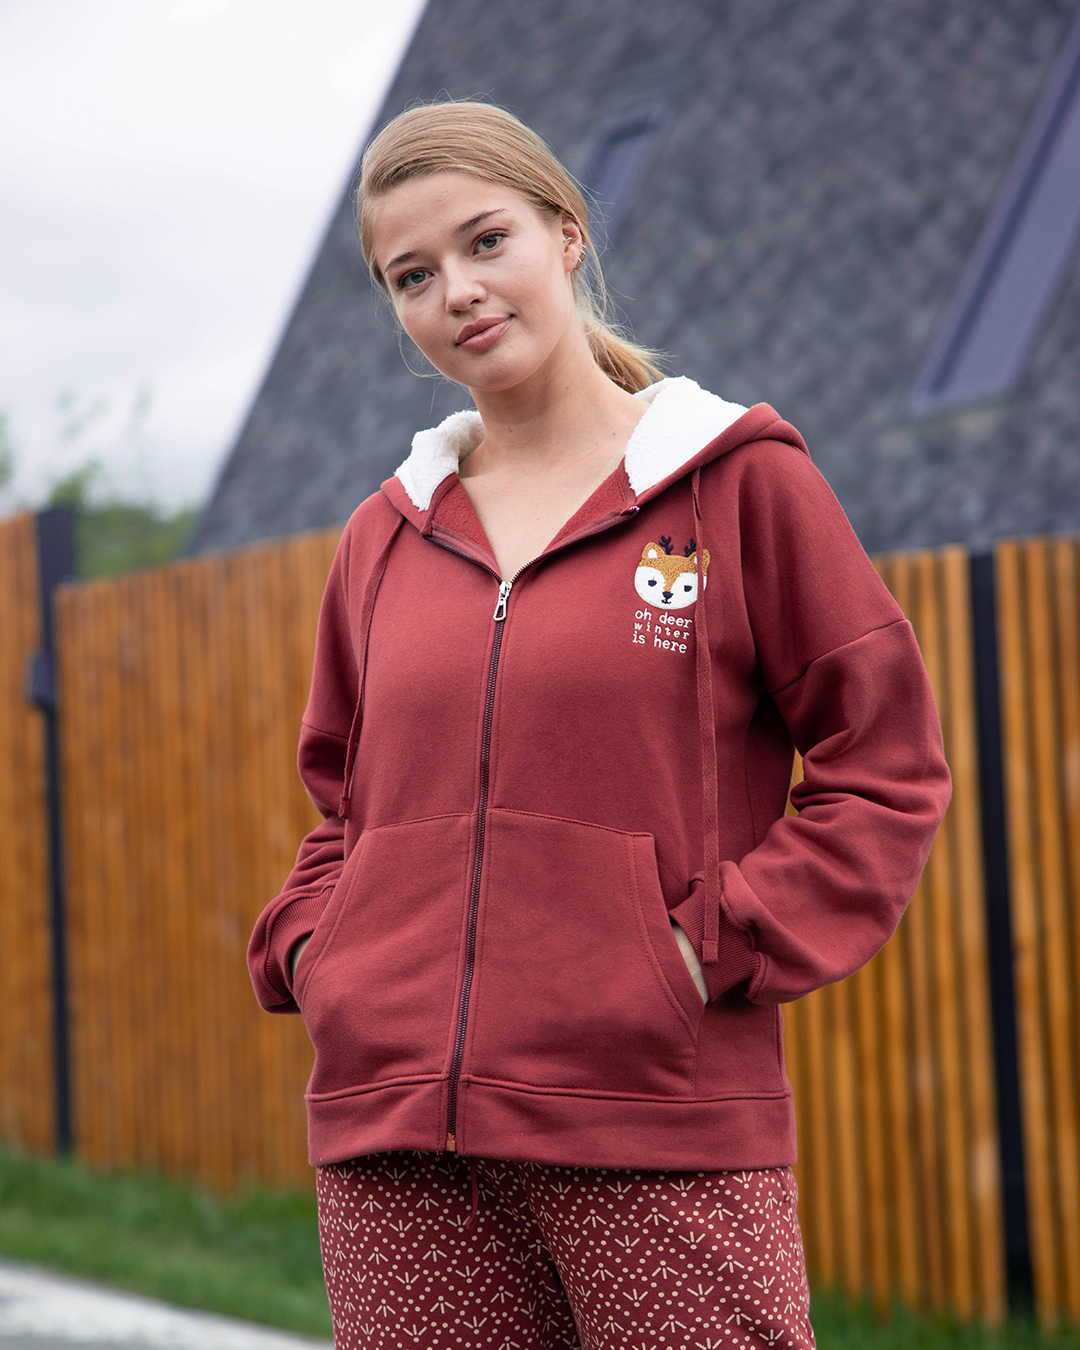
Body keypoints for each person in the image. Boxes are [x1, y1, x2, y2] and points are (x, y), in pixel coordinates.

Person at [247, 100, 951, 1350]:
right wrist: (320, 952)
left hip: (656, 1124)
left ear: (566, 235)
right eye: (413, 275)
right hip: (398, 1146)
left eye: (486, 241)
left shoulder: (737, 485)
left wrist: (700, 949)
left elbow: (885, 769)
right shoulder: (382, 538)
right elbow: (346, 809)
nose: (458, 292)